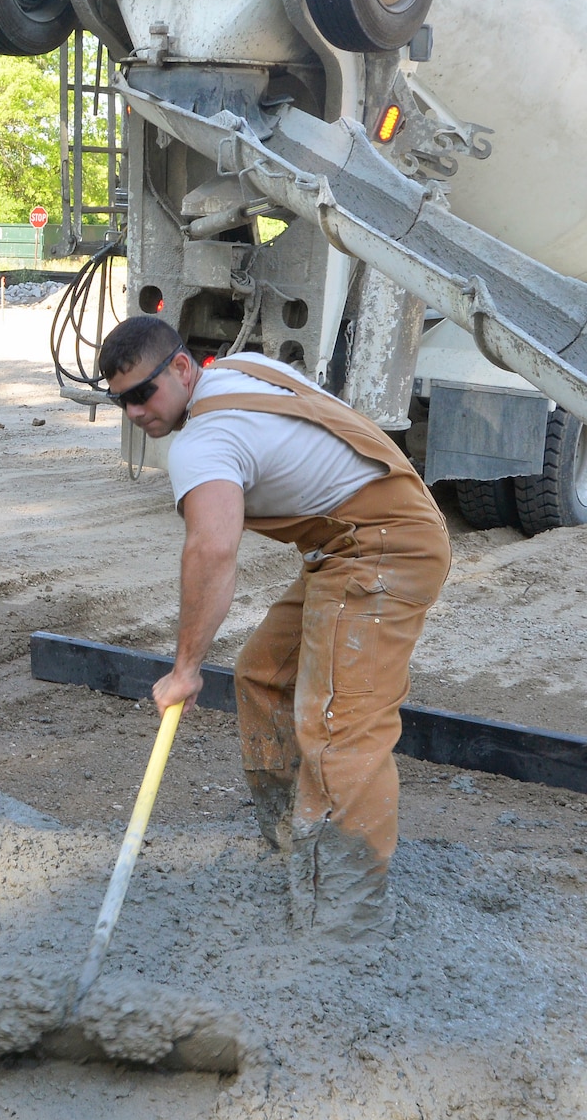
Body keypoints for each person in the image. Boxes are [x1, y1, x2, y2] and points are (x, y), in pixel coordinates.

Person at [100, 315, 451, 941]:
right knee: (264, 675)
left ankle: (344, 919)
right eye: (120, 399)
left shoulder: (203, 442)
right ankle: (294, 846)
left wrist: (184, 671)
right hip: (346, 543)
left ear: (182, 368)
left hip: (381, 548)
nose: (133, 412)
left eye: (141, 393)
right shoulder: (239, 371)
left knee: (342, 724)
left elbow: (211, 551)